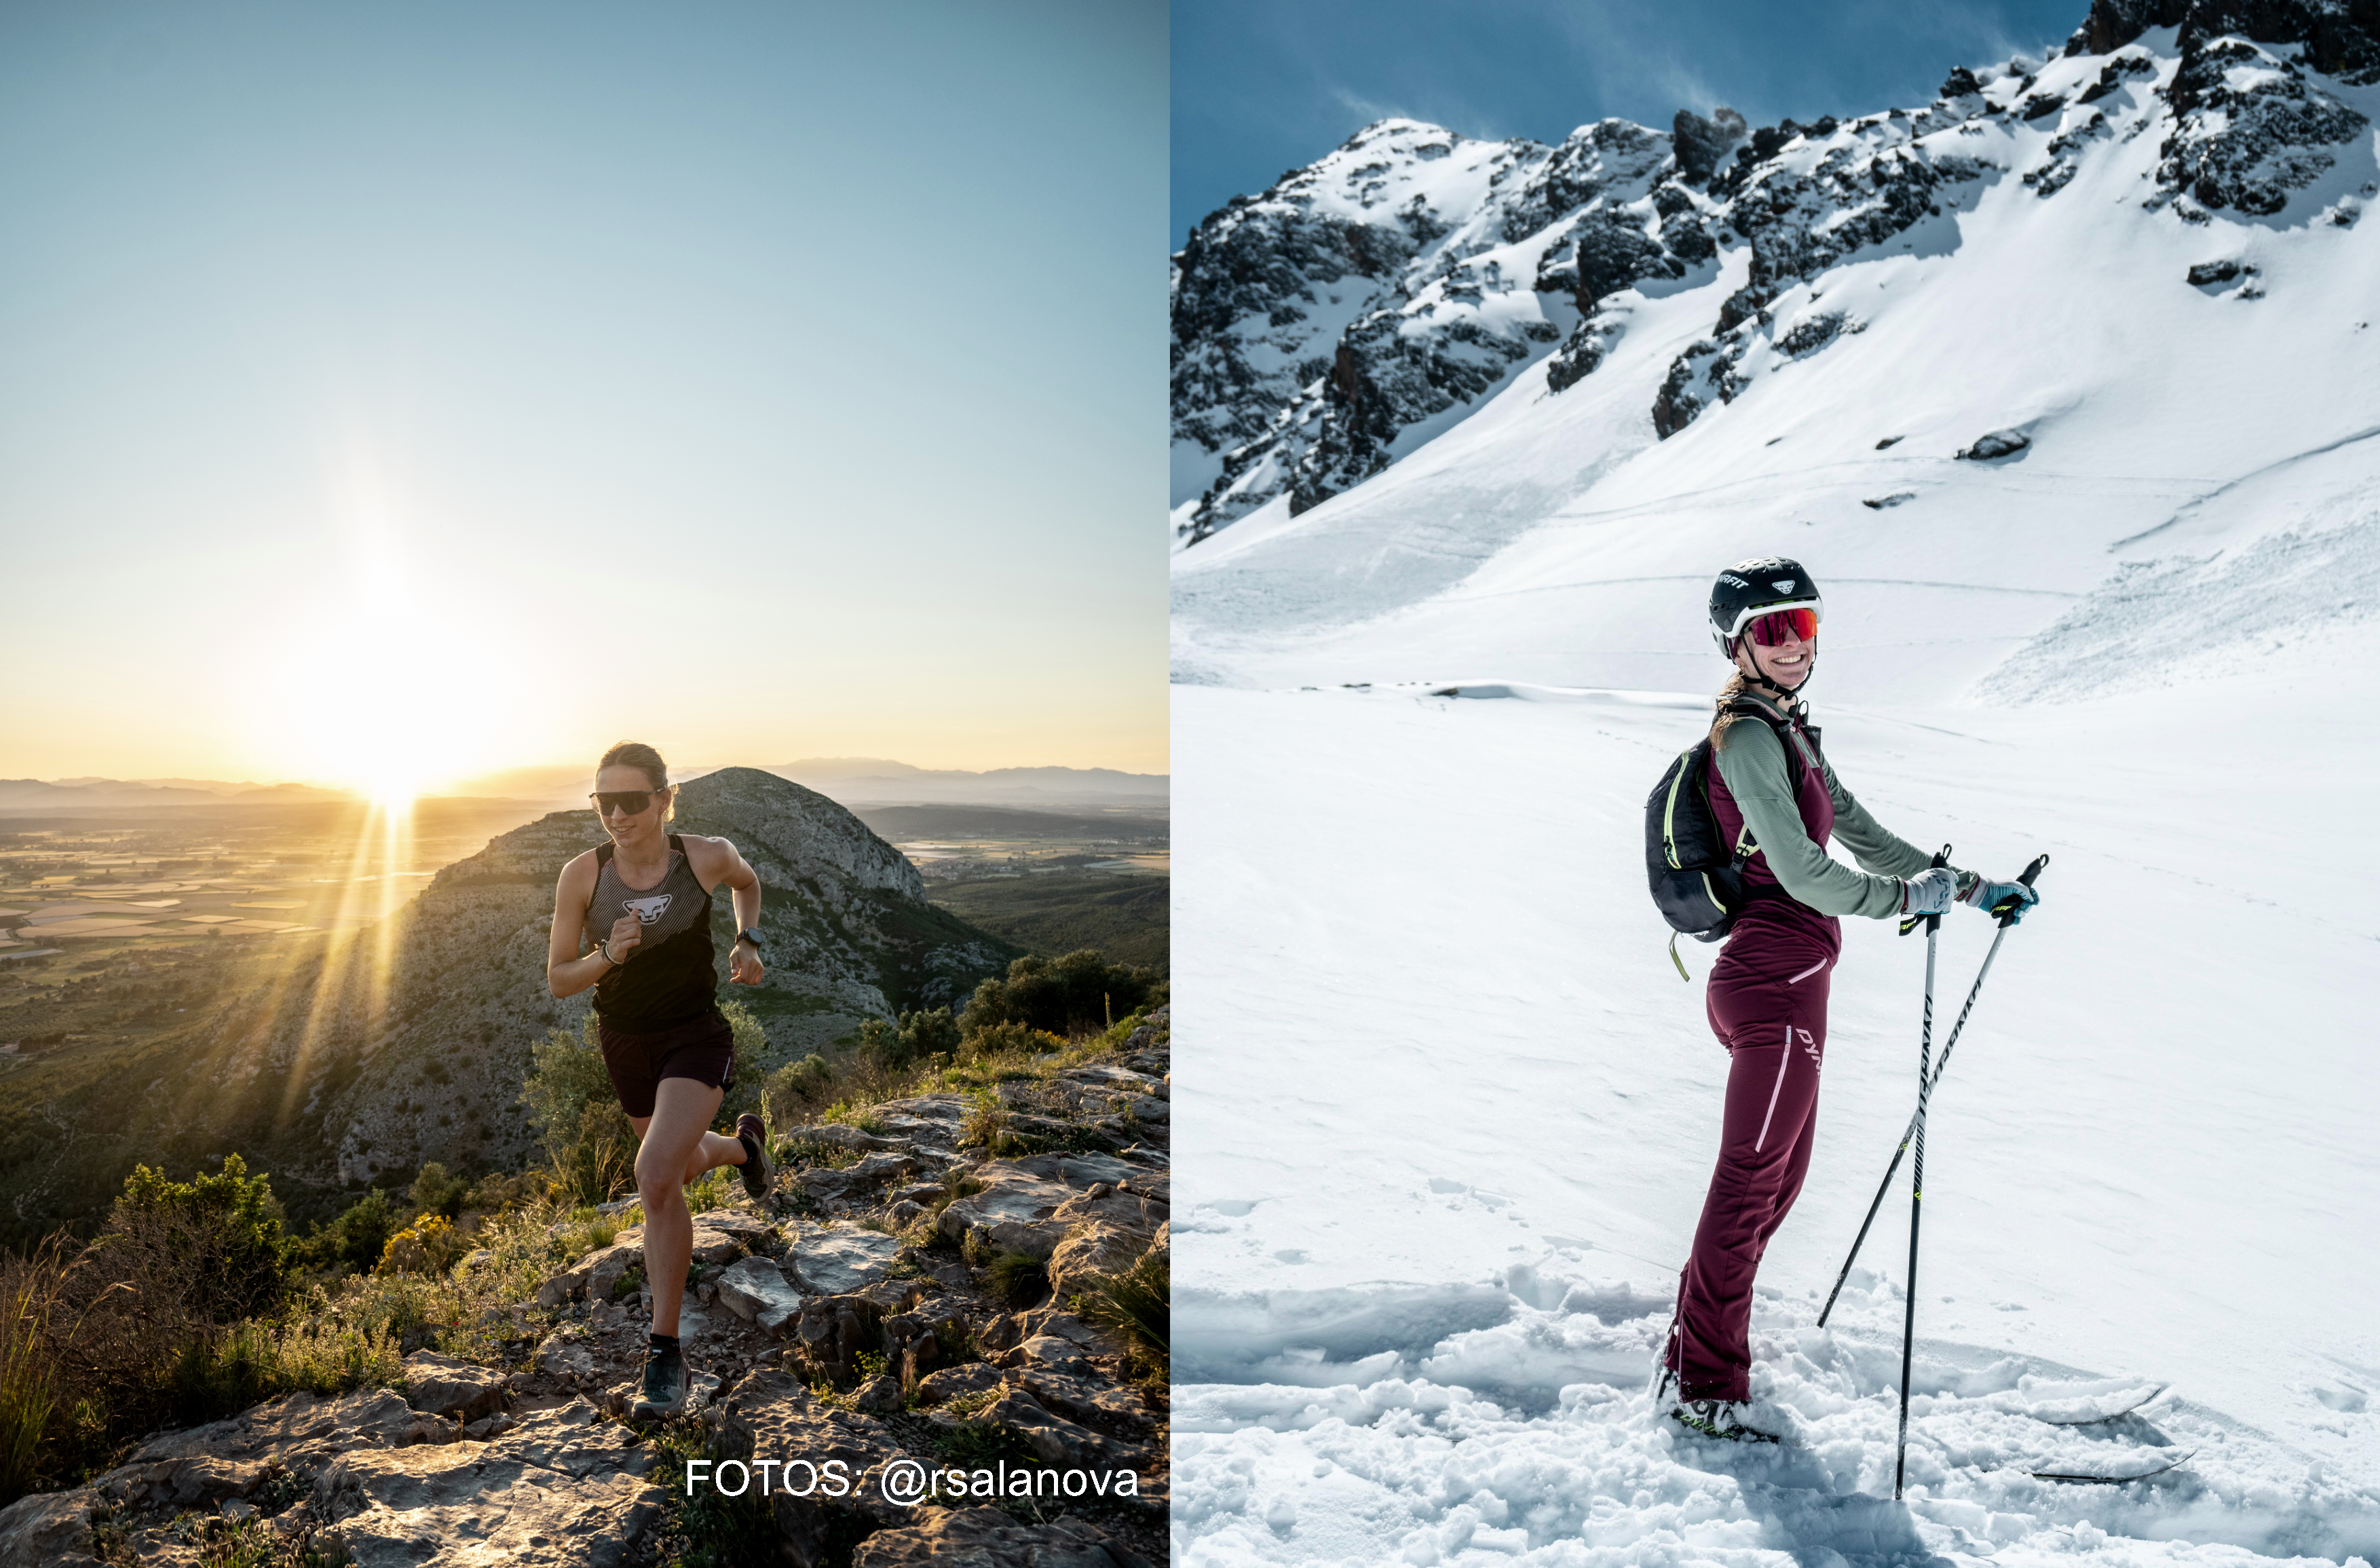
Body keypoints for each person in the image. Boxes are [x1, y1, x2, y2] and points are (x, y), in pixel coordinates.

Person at [1659, 558, 2039, 1441]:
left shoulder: (1788, 732)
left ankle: (1694, 1350)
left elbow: (1859, 833)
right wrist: (1906, 903)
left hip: (1796, 987)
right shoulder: (1747, 738)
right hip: (1769, 986)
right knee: (1747, 1185)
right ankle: (1702, 1385)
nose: (1792, 646)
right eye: (1771, 630)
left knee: (1774, 1184)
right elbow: (1801, 871)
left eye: (1804, 627)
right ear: (1736, 643)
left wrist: (1973, 889)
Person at [546, 740, 775, 1419]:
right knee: (672, 1171)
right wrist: (607, 956)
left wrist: (748, 940)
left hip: (695, 1038)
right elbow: (558, 980)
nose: (617, 814)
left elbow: (750, 885)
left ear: (665, 798)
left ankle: (665, 1353)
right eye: (603, 801)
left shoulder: (702, 857)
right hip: (625, 1043)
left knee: (653, 1178)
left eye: (632, 800)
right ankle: (745, 1149)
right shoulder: (582, 875)